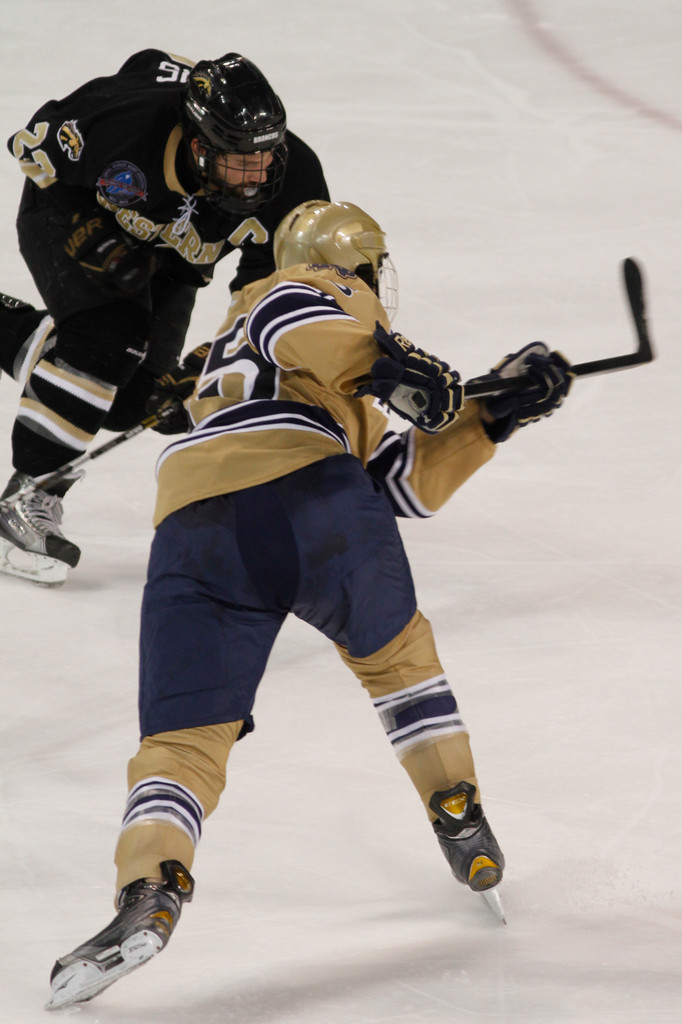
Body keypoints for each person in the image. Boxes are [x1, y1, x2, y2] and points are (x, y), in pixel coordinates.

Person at [44, 200, 573, 1010]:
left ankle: (150, 887)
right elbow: (299, 318)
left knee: (181, 746)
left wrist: (489, 414)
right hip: (311, 499)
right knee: (398, 663)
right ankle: (455, 805)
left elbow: (393, 482)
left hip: (195, 527)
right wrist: (396, 367)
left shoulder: (249, 364)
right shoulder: (307, 289)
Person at [0, 48, 329, 586]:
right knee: (111, 338)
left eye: (266, 155)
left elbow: (272, 290)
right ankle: (28, 493)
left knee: (132, 401)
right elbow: (33, 146)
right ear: (199, 146)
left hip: (170, 257)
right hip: (75, 219)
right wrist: (86, 229)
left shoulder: (295, 181)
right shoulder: (126, 123)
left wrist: (217, 359)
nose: (258, 174)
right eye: (240, 160)